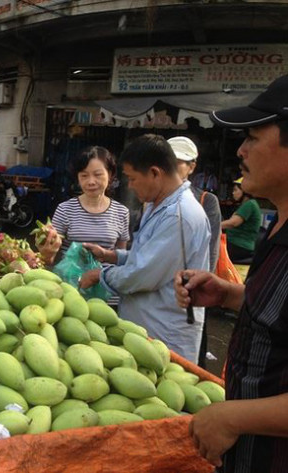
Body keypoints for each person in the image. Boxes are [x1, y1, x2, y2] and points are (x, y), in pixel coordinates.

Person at [175, 74, 288, 472]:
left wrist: (234, 416)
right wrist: (230, 295)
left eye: (253, 138)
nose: (240, 151)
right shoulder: (277, 227)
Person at [79, 134, 210, 362]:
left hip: (165, 335)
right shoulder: (157, 204)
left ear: (154, 173)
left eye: (132, 178)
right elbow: (148, 257)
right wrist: (113, 256)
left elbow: (142, 274)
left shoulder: (179, 215)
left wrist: (100, 274)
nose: (129, 186)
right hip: (145, 330)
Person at [169, 136, 222, 368]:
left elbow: (210, 252)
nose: (171, 167)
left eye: (179, 162)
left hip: (191, 289)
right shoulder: (151, 200)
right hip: (160, 286)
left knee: (190, 358)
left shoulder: (205, 201)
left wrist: (199, 284)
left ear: (191, 167)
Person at [36, 145, 130, 265]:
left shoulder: (121, 212)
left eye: (98, 174)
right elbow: (49, 260)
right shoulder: (65, 210)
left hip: (106, 281)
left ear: (110, 174)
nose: (91, 182)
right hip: (69, 281)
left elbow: (121, 258)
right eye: (84, 176)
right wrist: (46, 255)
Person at [221, 177, 262, 262]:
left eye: (235, 190)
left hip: (239, 245)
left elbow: (233, 223)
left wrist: (211, 225)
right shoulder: (245, 205)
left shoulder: (250, 204)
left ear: (245, 191)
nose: (233, 193)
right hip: (235, 243)